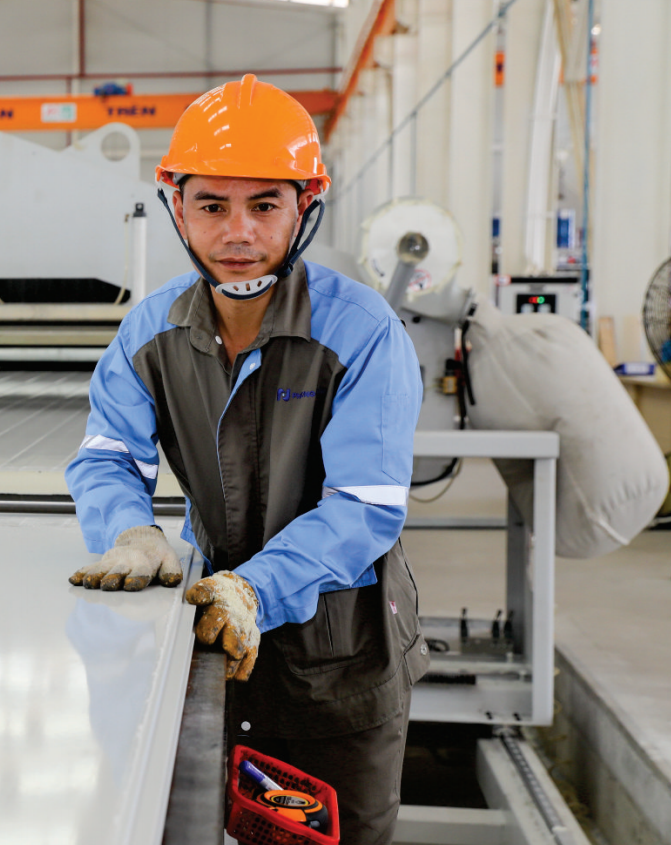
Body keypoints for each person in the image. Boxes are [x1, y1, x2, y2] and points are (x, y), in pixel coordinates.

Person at [64, 75, 429, 845]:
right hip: (212, 657)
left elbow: (364, 505)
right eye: (212, 205)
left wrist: (258, 590)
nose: (238, 233)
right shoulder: (149, 333)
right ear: (177, 207)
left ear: (305, 207)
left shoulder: (361, 333)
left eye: (264, 205)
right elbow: (104, 454)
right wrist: (131, 531)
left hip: (341, 671)